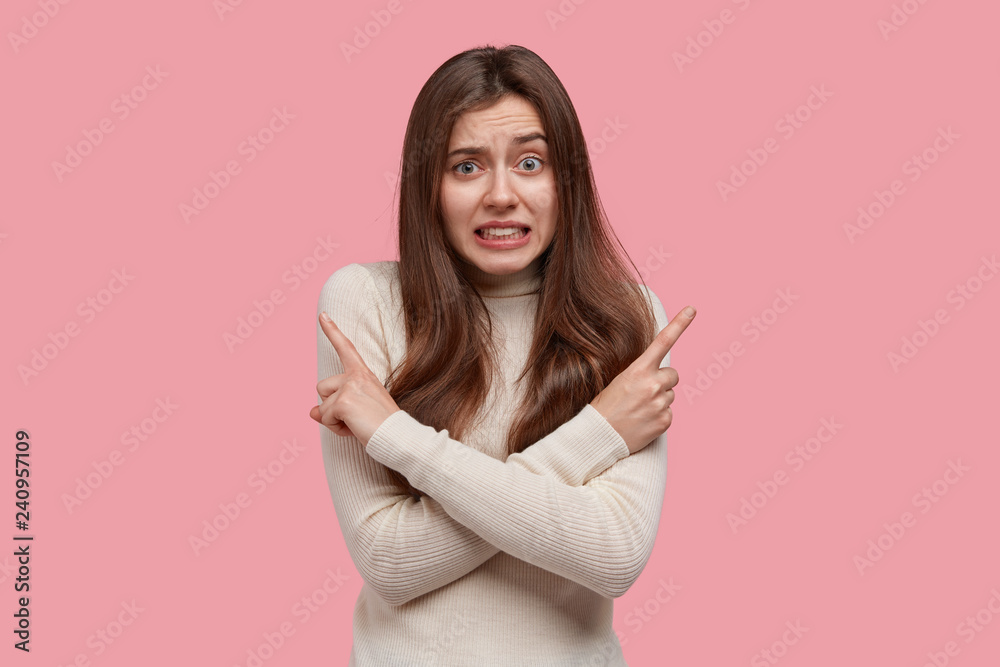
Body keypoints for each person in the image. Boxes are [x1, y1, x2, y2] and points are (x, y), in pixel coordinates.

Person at [310, 44, 696, 666]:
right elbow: (390, 561)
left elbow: (615, 554)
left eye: (530, 162)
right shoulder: (365, 302)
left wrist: (394, 435)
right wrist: (598, 436)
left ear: (565, 177)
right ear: (427, 185)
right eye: (466, 167)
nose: (500, 195)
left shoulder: (628, 318)